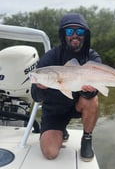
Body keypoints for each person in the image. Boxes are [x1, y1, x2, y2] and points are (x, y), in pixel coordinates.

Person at [31, 12, 102, 161]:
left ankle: (87, 138)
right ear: (64, 34)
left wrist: (90, 92)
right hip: (54, 111)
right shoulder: (50, 57)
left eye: (80, 31)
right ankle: (60, 129)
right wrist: (40, 88)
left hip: (77, 105)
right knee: (50, 153)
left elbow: (97, 87)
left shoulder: (92, 57)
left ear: (85, 35)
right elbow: (35, 96)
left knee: (92, 100)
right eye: (70, 31)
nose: (75, 35)